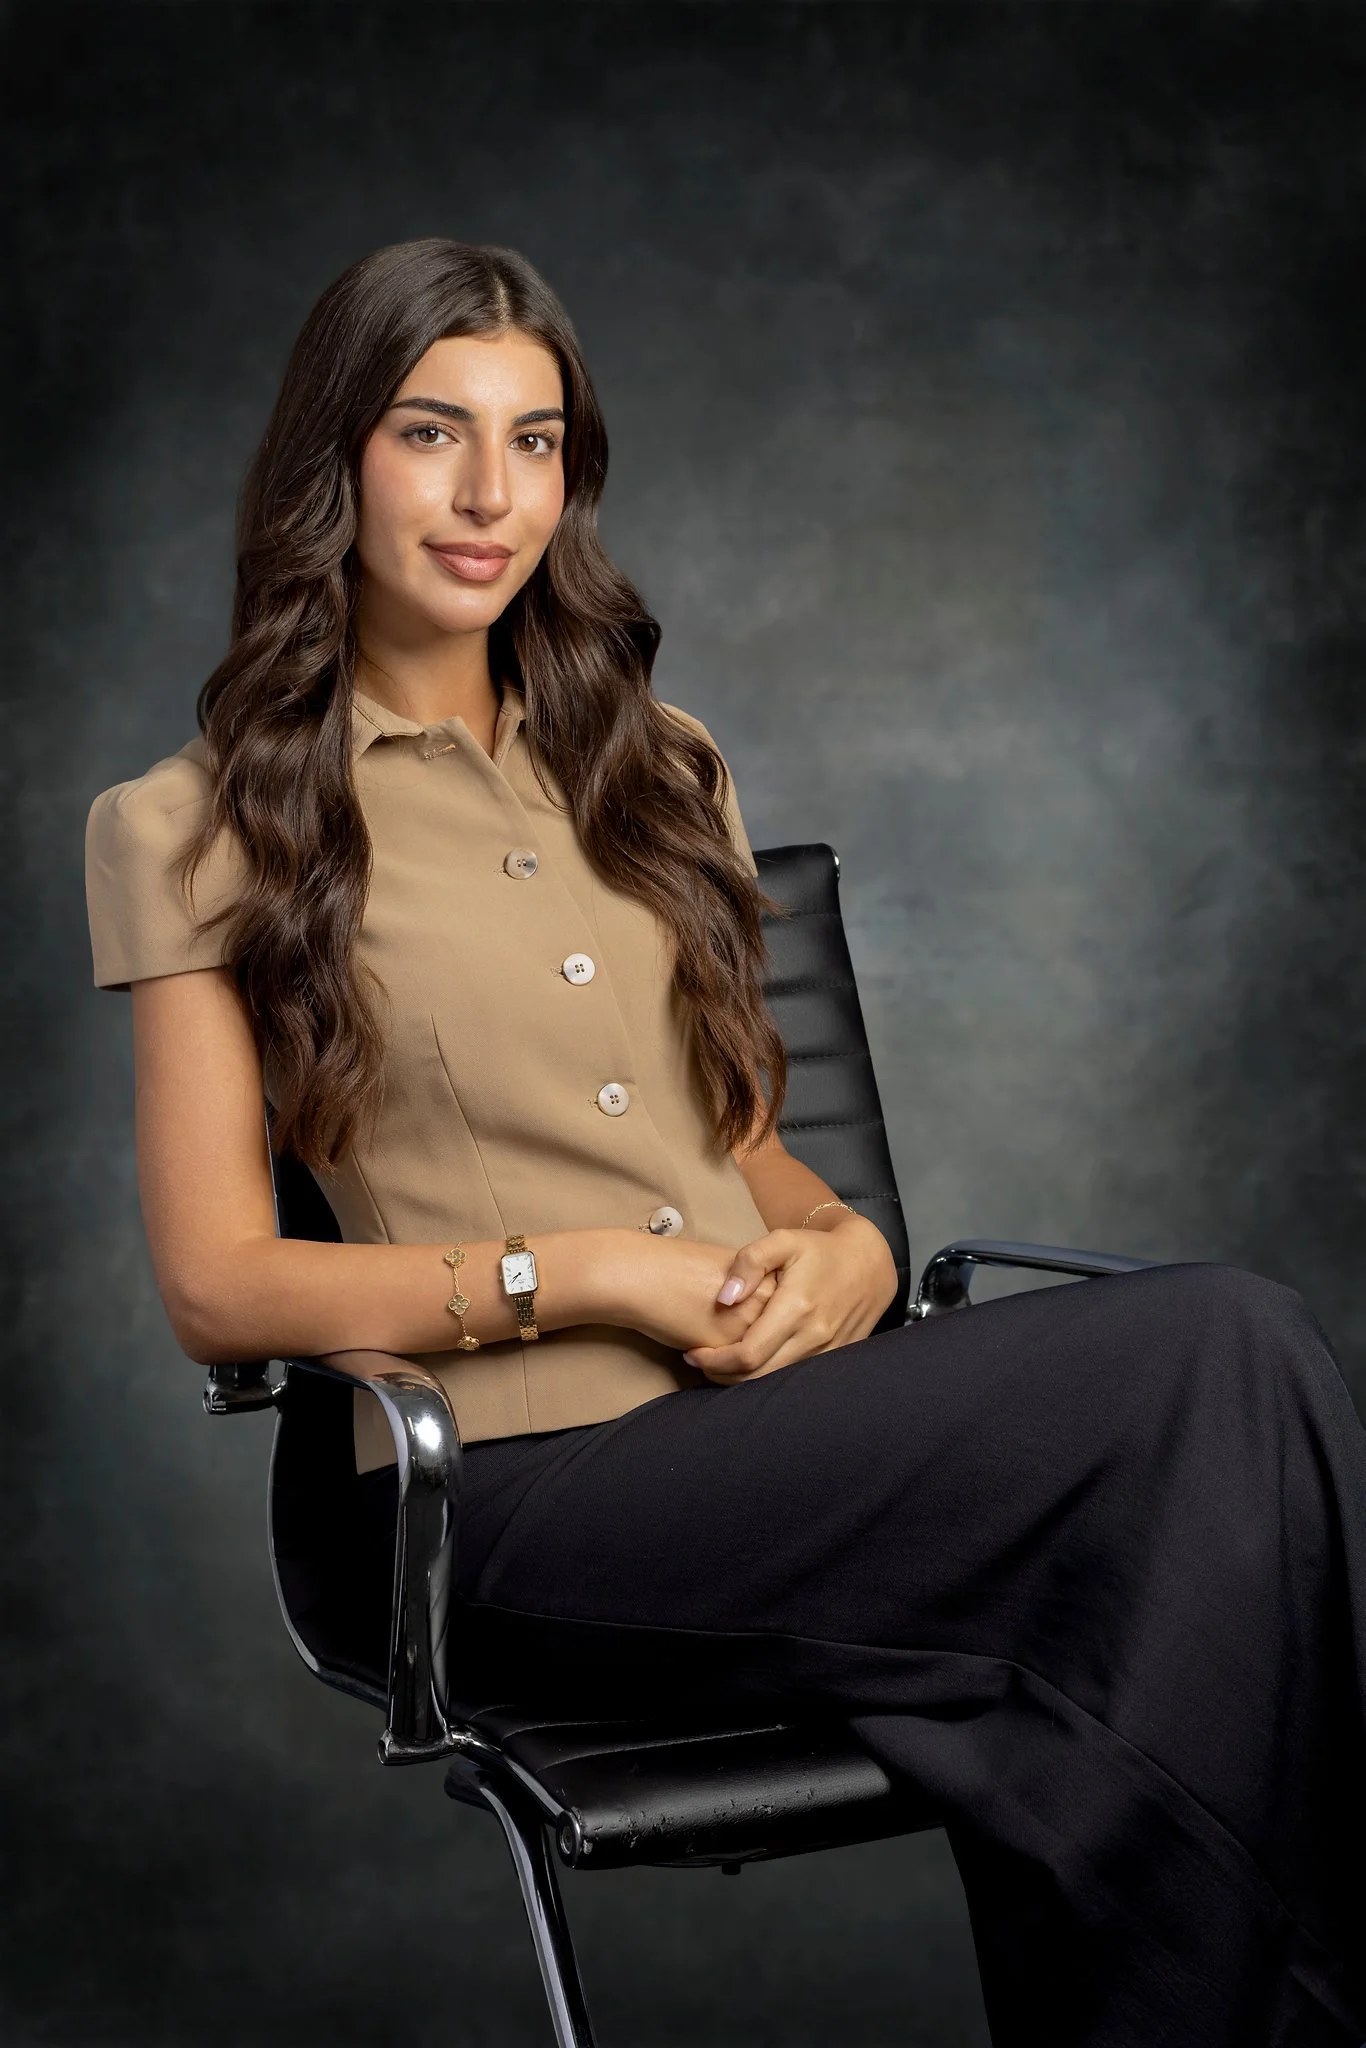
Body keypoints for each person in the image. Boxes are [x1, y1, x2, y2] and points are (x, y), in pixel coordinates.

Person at [85, 238, 1366, 2046]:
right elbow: (218, 1288)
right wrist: (583, 1271)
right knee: (1221, 1351)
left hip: (755, 1445)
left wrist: (840, 1248)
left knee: (1145, 1621)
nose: (486, 495)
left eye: (534, 443)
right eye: (429, 434)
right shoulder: (195, 821)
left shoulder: (656, 763)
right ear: (333, 464)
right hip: (488, 1500)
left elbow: (751, 1147)